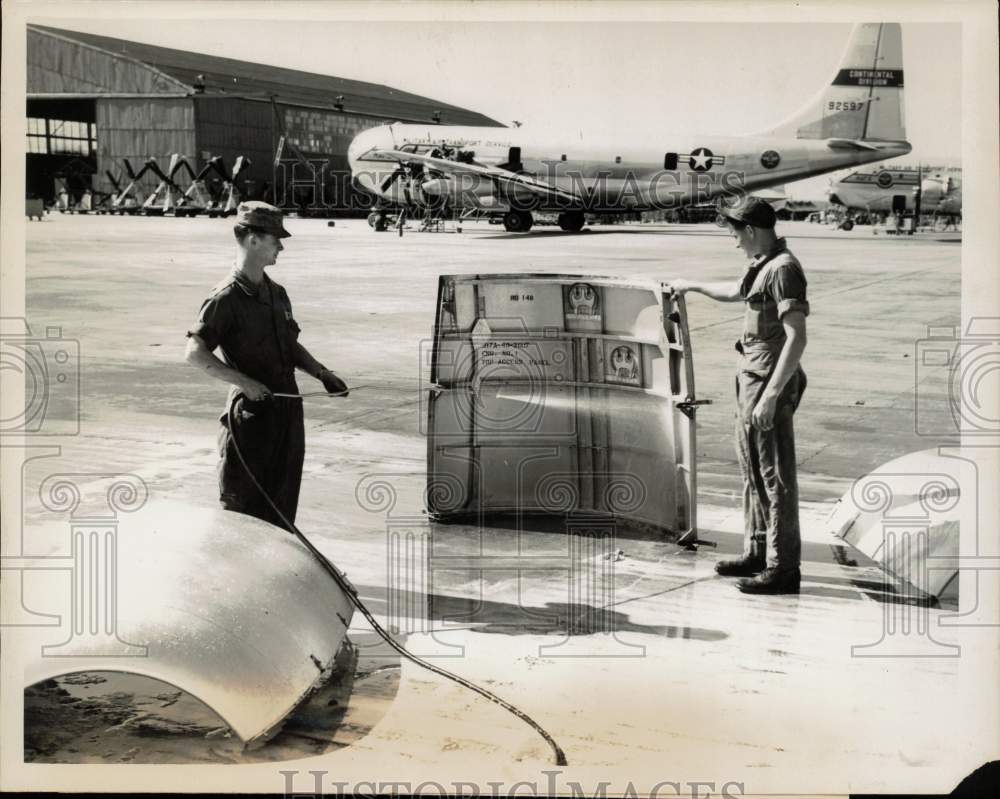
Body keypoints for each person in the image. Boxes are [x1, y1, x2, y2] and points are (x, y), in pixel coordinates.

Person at [669, 196, 808, 594]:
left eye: (735, 234)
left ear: (750, 230)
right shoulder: (763, 263)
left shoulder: (783, 270)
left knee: (776, 476)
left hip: (768, 382)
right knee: (753, 472)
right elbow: (736, 292)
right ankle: (758, 550)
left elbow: (796, 337)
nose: (734, 243)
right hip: (752, 378)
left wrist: (771, 396)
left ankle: (783, 569)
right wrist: (690, 285)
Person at [184, 201, 348, 526]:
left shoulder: (277, 293)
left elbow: (289, 345)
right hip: (252, 418)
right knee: (243, 511)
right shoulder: (225, 298)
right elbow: (194, 352)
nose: (282, 247)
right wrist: (245, 383)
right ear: (253, 240)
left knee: (283, 507)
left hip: (287, 414)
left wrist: (321, 373)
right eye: (275, 239)